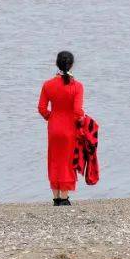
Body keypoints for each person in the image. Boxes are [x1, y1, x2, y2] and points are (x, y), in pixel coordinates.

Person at [37, 50, 85, 206]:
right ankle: (64, 198)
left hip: (54, 127)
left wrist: (51, 117)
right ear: (71, 65)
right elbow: (77, 111)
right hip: (69, 128)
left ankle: (56, 197)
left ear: (56, 64)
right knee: (68, 161)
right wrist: (82, 119)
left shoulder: (47, 85)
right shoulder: (77, 86)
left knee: (54, 160)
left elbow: (42, 108)